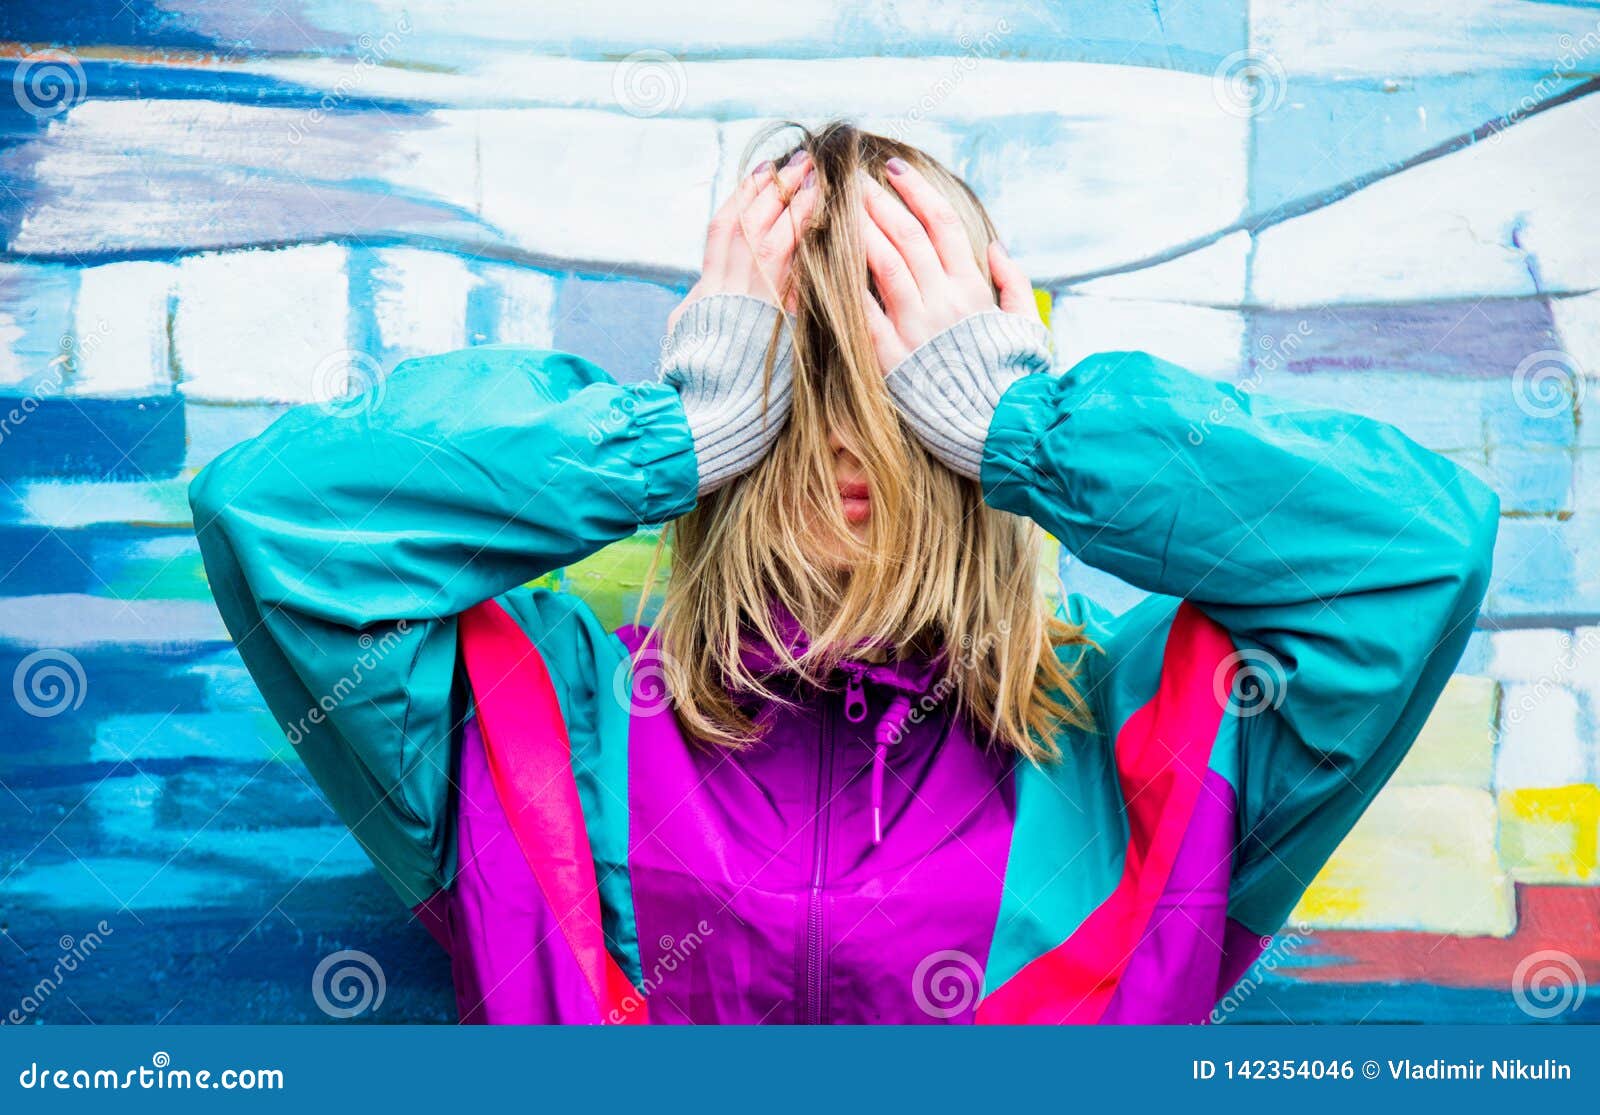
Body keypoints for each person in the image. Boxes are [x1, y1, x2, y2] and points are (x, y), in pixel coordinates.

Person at [189, 122, 1498, 1024]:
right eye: (793, 365)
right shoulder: (551, 710)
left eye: (906, 373)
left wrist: (1030, 435)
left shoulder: (1146, 747)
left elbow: (1417, 552)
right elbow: (278, 518)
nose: (844, 431)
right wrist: (670, 436)